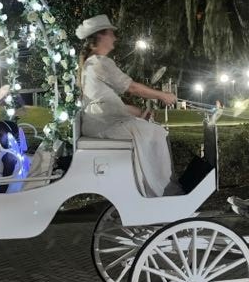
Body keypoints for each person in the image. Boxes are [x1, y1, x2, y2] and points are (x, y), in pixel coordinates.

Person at [76, 14, 180, 197]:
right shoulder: (100, 62)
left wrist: (139, 112)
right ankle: (161, 189)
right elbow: (131, 87)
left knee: (148, 127)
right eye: (111, 34)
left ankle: (153, 185)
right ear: (100, 36)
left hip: (99, 123)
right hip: (103, 126)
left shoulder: (90, 64)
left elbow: (107, 103)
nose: (115, 38)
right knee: (157, 132)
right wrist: (163, 95)